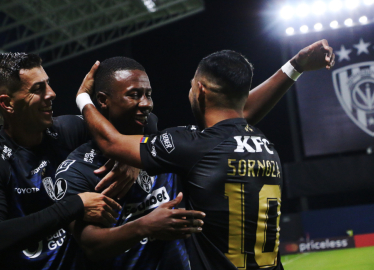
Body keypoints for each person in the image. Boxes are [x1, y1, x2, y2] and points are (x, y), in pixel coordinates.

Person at [75, 40, 335, 269]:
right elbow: (236, 115)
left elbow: (111, 142)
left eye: (191, 86)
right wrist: (295, 66)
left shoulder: (192, 146)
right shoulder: (264, 144)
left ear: (199, 91)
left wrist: (83, 99)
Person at [0, 53, 201, 270]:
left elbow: (139, 119)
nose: (51, 93)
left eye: (48, 83)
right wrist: (75, 205)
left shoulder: (65, 130)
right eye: (38, 89)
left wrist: (132, 157)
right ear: (7, 103)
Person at [55, 57, 204, 269]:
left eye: (148, 95)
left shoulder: (165, 147)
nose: (146, 104)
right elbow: (91, 245)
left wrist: (136, 158)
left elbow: (230, 122)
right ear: (103, 100)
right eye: (134, 95)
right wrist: (145, 226)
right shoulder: (77, 170)